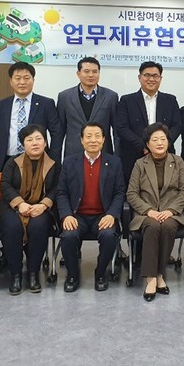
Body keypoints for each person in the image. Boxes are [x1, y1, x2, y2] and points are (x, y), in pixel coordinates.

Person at [56, 122, 125, 293]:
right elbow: (61, 192)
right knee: (68, 235)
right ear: (81, 140)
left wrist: (112, 214)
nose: (93, 140)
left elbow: (119, 192)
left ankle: (101, 273)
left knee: (109, 235)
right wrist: (66, 215)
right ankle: (72, 275)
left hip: (103, 215)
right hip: (76, 215)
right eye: (88, 136)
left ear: (103, 139)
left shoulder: (114, 162)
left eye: (97, 136)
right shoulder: (69, 162)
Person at [0, 124, 60, 295]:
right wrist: (20, 203)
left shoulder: (54, 164)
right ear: (23, 144)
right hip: (12, 207)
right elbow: (5, 185)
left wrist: (44, 204)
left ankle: (33, 273)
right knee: (12, 227)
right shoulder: (12, 162)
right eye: (29, 140)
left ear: (45, 142)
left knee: (38, 226)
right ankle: (15, 275)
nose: (35, 143)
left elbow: (58, 188)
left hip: (42, 208)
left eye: (38, 139)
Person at [126, 123, 184, 302]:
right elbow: (131, 193)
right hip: (146, 213)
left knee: (168, 227)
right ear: (147, 144)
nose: (160, 143)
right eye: (155, 140)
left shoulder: (178, 162)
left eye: (163, 139)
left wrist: (170, 210)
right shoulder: (140, 164)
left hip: (172, 212)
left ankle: (159, 274)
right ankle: (151, 278)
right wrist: (148, 211)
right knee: (153, 226)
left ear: (168, 142)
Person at [0, 62, 63, 176]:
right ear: (11, 81)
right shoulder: (2, 105)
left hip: (38, 161)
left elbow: (57, 133)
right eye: (17, 78)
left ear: (33, 80)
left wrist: (53, 160)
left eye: (26, 78)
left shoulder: (46, 103)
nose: (22, 82)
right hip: (7, 160)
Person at [116, 61, 182, 182]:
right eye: (147, 75)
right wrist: (144, 146)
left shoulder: (170, 100)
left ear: (160, 79)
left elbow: (177, 125)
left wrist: (163, 145)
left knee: (166, 188)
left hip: (165, 155)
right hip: (134, 155)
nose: (151, 79)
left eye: (155, 76)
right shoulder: (127, 100)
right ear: (139, 77)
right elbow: (121, 128)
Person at [57, 56, 119, 158]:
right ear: (78, 73)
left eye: (95, 71)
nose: (91, 75)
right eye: (86, 71)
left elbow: (117, 131)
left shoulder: (111, 96)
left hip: (103, 153)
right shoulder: (65, 97)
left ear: (99, 73)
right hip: (73, 153)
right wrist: (56, 159)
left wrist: (117, 157)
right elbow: (59, 132)